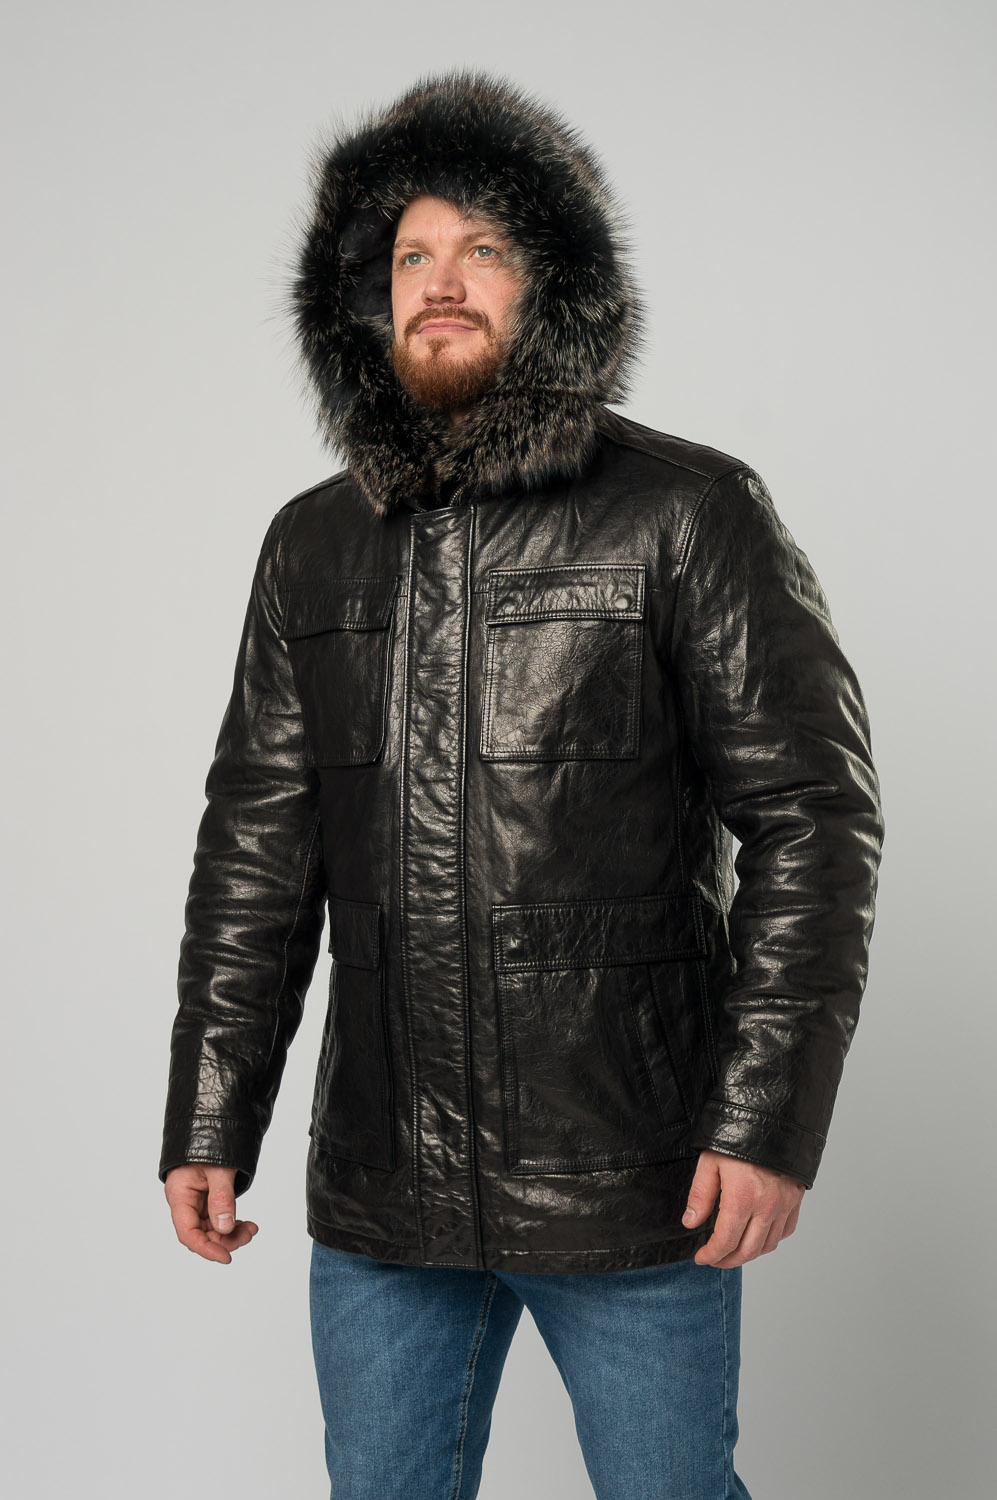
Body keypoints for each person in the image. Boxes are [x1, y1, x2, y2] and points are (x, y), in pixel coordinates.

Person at [159, 70, 885, 1500]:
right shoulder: (311, 545)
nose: (439, 283)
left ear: (551, 283)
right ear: (364, 300)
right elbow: (256, 849)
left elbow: (812, 820)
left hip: (630, 1170)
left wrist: (763, 1118)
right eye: (409, 255)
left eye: (481, 248)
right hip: (382, 1180)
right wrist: (209, 1109)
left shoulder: (687, 511)